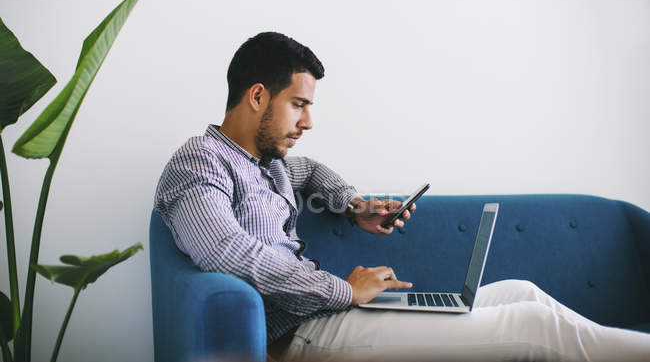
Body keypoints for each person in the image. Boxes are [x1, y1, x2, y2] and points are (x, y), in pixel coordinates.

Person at [154, 32, 650, 362]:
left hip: (334, 315)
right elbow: (231, 254)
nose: (308, 121)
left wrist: (355, 205)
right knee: (535, 328)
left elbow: (309, 174)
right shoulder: (198, 163)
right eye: (299, 105)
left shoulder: (271, 164)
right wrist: (344, 291)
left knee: (523, 292)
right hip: (300, 333)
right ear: (258, 96)